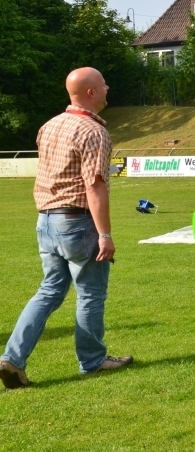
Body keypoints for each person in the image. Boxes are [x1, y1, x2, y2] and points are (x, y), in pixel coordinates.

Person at [0, 68, 133, 390]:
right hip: (77, 222)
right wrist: (105, 234)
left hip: (46, 220)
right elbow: (95, 185)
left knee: (48, 291)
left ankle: (11, 359)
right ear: (91, 92)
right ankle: (93, 360)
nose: (108, 87)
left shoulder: (49, 125)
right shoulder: (93, 132)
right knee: (90, 293)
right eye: (103, 84)